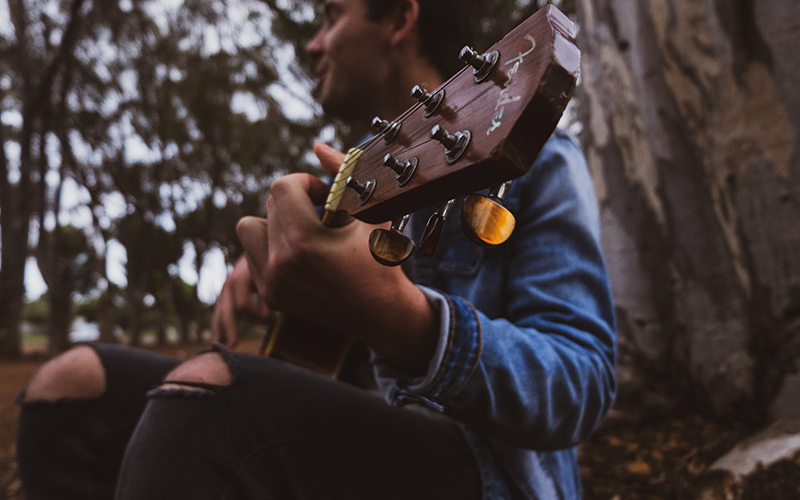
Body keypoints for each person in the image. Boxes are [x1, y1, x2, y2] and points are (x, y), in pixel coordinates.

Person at [16, 0, 617, 498]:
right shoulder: (358, 172)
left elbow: (582, 383)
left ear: (399, 20)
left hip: (490, 476)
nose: (312, 44)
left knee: (206, 400)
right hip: (345, 448)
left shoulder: (537, 163)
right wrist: (273, 261)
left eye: (331, 15)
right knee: (72, 386)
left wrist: (404, 318)